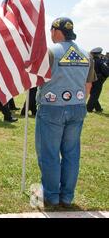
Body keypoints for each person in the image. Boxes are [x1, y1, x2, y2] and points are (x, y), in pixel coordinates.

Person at [35, 17, 96, 208]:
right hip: (78, 107)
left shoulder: (50, 52)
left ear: (55, 31)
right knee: (71, 154)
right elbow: (88, 86)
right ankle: (67, 197)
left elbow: (37, 80)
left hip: (51, 108)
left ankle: (52, 196)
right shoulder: (86, 54)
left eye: (51, 30)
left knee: (50, 153)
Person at [87, 47, 109, 113]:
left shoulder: (89, 61)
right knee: (95, 95)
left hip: (90, 79)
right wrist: (103, 77)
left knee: (93, 94)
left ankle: (98, 108)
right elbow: (107, 72)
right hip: (98, 81)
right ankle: (88, 108)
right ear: (98, 54)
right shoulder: (100, 62)